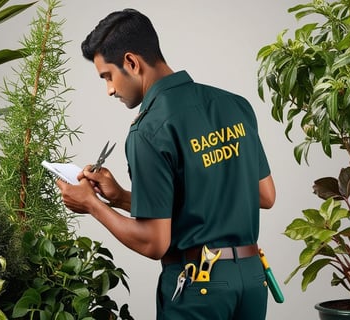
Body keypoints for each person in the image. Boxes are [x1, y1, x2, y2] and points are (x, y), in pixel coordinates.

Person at [57, 8, 276, 320]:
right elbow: (264, 196)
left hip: (200, 288)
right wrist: (120, 197)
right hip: (253, 281)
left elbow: (154, 242)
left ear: (131, 62)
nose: (109, 89)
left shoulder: (148, 130)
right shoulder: (235, 104)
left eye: (108, 76)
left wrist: (93, 205)